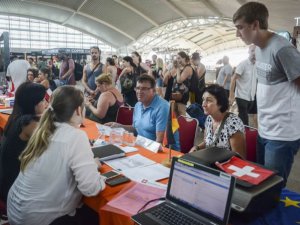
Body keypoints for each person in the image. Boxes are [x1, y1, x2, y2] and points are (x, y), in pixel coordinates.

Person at [7, 86, 106, 225]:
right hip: (40, 219)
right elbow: (91, 188)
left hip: (16, 212)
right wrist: (96, 171)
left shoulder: (44, 128)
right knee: (94, 216)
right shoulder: (75, 136)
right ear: (78, 109)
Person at [233, 1, 300, 186]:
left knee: (271, 189)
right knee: (260, 184)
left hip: (282, 135)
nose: (237, 34)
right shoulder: (257, 47)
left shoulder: (283, 49)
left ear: (255, 25)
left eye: (240, 28)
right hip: (265, 129)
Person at [0, 82, 47, 203]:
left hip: (7, 176)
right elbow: (50, 145)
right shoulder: (29, 123)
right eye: (43, 100)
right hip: (14, 184)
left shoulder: (17, 116)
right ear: (33, 103)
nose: (46, 104)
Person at [107, 75, 169, 143]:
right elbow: (136, 129)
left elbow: (160, 141)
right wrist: (119, 126)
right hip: (142, 146)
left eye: (144, 88)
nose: (139, 91)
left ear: (154, 90)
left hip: (159, 150)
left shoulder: (162, 107)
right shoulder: (138, 105)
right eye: (138, 88)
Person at [190, 84, 246, 158]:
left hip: (225, 167)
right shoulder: (209, 119)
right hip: (211, 161)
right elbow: (207, 143)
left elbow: (240, 159)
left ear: (220, 104)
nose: (203, 104)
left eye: (209, 100)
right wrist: (197, 147)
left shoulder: (233, 124)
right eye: (203, 99)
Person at [229, 44, 257, 126]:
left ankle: (252, 133)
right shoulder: (243, 64)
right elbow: (233, 78)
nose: (254, 53)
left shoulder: (257, 65)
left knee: (254, 117)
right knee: (244, 120)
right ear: (248, 52)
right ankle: (243, 136)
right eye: (252, 51)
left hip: (252, 97)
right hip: (241, 96)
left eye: (256, 51)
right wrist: (231, 94)